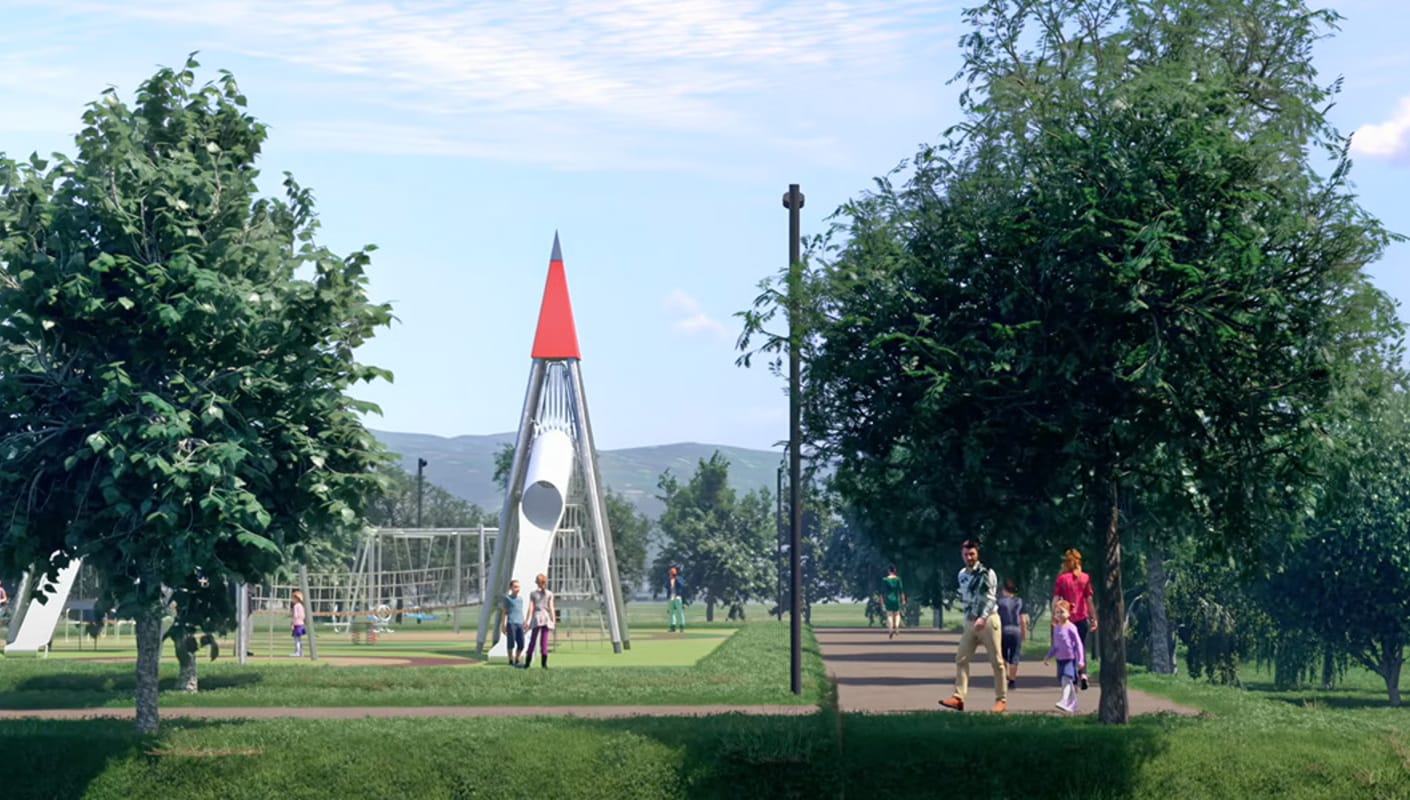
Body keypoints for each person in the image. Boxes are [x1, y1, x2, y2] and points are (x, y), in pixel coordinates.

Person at [939, 539, 1009, 713]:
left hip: (988, 620)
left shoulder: (987, 573)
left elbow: (991, 598)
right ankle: (958, 697)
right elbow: (966, 597)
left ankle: (1001, 700)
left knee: (997, 662)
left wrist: (983, 617)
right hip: (970, 621)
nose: (968, 557)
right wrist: (968, 619)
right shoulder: (962, 574)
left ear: (977, 554)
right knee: (961, 659)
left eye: (972, 554)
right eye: (965, 554)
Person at [1052, 548, 1097, 690]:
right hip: (1082, 617)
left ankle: (1073, 676)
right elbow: (1089, 600)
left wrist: (1055, 615)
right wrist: (1094, 617)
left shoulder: (1061, 579)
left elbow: (1055, 599)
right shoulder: (1085, 578)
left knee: (1068, 647)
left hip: (1066, 619)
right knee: (1080, 645)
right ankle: (1083, 674)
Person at [1043, 599, 1087, 714]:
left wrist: (1081, 660)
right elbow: (1055, 646)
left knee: (1066, 679)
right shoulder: (1057, 628)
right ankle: (1073, 705)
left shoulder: (1071, 627)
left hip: (1070, 659)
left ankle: (1064, 700)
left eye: (1062, 612)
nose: (1059, 614)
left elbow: (1078, 644)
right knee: (1066, 682)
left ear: (1068, 613)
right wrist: (1048, 656)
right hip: (1060, 659)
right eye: (1057, 612)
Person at [998, 578, 1029, 689]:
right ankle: (1012, 680)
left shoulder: (999, 603)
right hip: (1016, 631)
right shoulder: (1019, 601)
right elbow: (1023, 619)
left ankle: (1003, 678)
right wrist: (1024, 633)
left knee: (1003, 656)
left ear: (1003, 590)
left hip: (1003, 630)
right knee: (1015, 656)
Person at [525, 573, 556, 669]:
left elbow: (531, 608)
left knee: (533, 640)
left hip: (537, 616)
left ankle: (527, 663)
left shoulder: (533, 594)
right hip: (546, 617)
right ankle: (544, 664)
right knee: (544, 641)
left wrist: (527, 620)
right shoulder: (549, 594)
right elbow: (551, 608)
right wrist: (553, 619)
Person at [501, 579, 527, 667]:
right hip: (511, 623)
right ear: (511, 588)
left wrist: (524, 623)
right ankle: (510, 660)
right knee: (511, 643)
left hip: (520, 623)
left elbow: (520, 611)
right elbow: (504, 612)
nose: (517, 588)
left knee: (521, 644)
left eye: (518, 587)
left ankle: (517, 659)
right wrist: (503, 625)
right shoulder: (507, 599)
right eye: (515, 587)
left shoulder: (520, 599)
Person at [881, 565, 907, 639]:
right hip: (896, 599)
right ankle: (896, 626)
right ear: (894, 570)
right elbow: (901, 591)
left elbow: (882, 592)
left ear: (889, 571)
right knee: (897, 614)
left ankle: (891, 629)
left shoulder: (885, 580)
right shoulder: (898, 579)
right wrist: (903, 600)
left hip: (888, 599)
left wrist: (882, 602)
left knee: (889, 615)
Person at [666, 565, 687, 633]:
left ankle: (682, 626)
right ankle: (673, 626)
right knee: (671, 612)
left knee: (680, 612)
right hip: (671, 597)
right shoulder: (669, 580)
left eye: (672, 573)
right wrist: (670, 580)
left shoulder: (679, 578)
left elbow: (681, 585)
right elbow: (666, 587)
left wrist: (676, 579)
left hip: (678, 597)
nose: (671, 574)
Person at [290, 589, 307, 658]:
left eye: (293, 598)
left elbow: (295, 616)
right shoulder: (301, 606)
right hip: (301, 624)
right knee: (299, 639)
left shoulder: (296, 606)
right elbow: (303, 616)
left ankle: (298, 652)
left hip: (297, 624)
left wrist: (292, 624)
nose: (293, 599)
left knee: (297, 639)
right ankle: (301, 652)